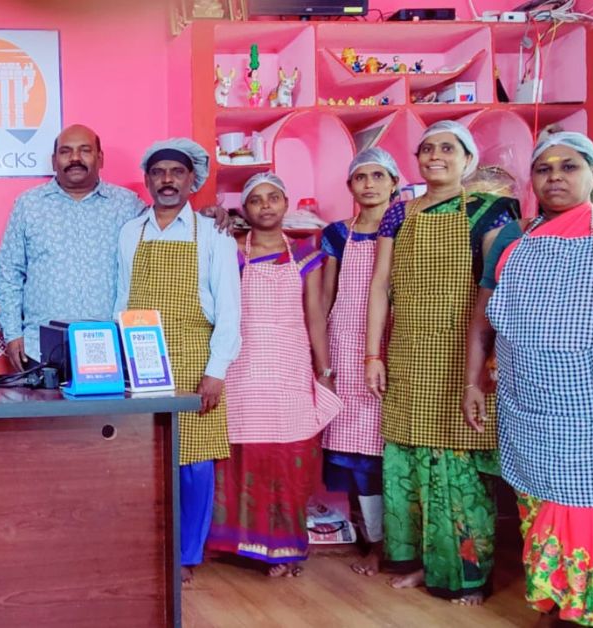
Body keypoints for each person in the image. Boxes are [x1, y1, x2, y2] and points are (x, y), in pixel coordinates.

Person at [364, 120, 520, 604]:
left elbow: (499, 288)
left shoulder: (492, 211)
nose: (435, 155)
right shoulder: (398, 214)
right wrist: (374, 352)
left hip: (464, 353)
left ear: (467, 158)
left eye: (447, 148)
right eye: (427, 148)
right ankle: (420, 564)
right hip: (410, 351)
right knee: (408, 456)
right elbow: (379, 286)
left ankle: (466, 574)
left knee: (458, 463)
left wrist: (489, 358)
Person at [463, 131, 593, 627]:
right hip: (523, 401)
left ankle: (584, 610)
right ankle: (551, 601)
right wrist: (472, 383)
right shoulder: (514, 239)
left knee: (583, 505)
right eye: (544, 169)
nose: (554, 177)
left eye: (569, 167)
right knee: (536, 503)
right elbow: (484, 320)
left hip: (591, 406)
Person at [114, 138, 241, 584]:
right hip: (140, 353)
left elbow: (229, 307)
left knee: (194, 463)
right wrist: (119, 359)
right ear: (147, 180)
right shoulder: (132, 232)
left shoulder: (213, 232)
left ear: (192, 180)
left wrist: (216, 370)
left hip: (194, 355)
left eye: (176, 172)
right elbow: (121, 298)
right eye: (158, 172)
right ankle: (151, 547)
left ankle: (185, 557)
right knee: (144, 457)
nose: (167, 180)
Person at [208, 172, 340, 578]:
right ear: (243, 210)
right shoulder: (230, 250)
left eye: (273, 198)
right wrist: (212, 215)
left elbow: (315, 316)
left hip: (288, 366)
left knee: (288, 454)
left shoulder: (305, 253)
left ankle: (281, 549)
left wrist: (324, 369)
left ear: (286, 204)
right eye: (255, 200)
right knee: (242, 452)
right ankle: (236, 546)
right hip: (241, 366)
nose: (265, 206)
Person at [0, 125, 146, 369]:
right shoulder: (29, 205)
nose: (75, 158)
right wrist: (12, 333)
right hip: (41, 347)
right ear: (54, 161)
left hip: (109, 346)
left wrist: (207, 216)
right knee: (47, 408)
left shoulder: (128, 205)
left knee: (105, 410)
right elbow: (9, 273)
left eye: (85, 150)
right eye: (66, 152)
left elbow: (166, 226)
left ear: (100, 158)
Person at [320, 147, 400, 576]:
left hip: (393, 342)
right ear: (350, 186)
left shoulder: (407, 225)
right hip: (345, 345)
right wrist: (323, 360)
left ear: (394, 182)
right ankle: (373, 541)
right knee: (354, 453)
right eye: (360, 177)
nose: (368, 184)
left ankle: (397, 545)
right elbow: (328, 295)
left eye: (377, 175)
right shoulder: (336, 233)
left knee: (387, 451)